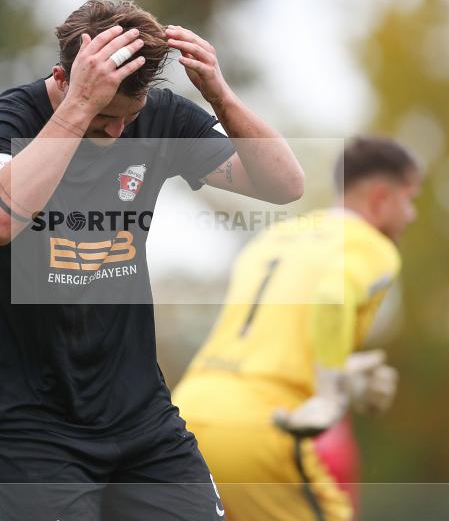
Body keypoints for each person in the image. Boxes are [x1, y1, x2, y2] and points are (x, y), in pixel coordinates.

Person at [0, 0, 304, 520]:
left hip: (139, 414)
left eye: (129, 118)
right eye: (104, 119)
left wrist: (219, 94)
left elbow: (285, 185)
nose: (116, 134)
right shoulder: (10, 118)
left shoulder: (161, 117)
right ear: (65, 76)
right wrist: (79, 108)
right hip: (32, 422)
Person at [173, 136, 422, 521]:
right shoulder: (372, 247)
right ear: (380, 198)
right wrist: (329, 390)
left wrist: (343, 373)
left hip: (186, 415)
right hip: (257, 428)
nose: (411, 215)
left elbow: (263, 337)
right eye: (409, 199)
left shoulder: (277, 236)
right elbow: (331, 298)